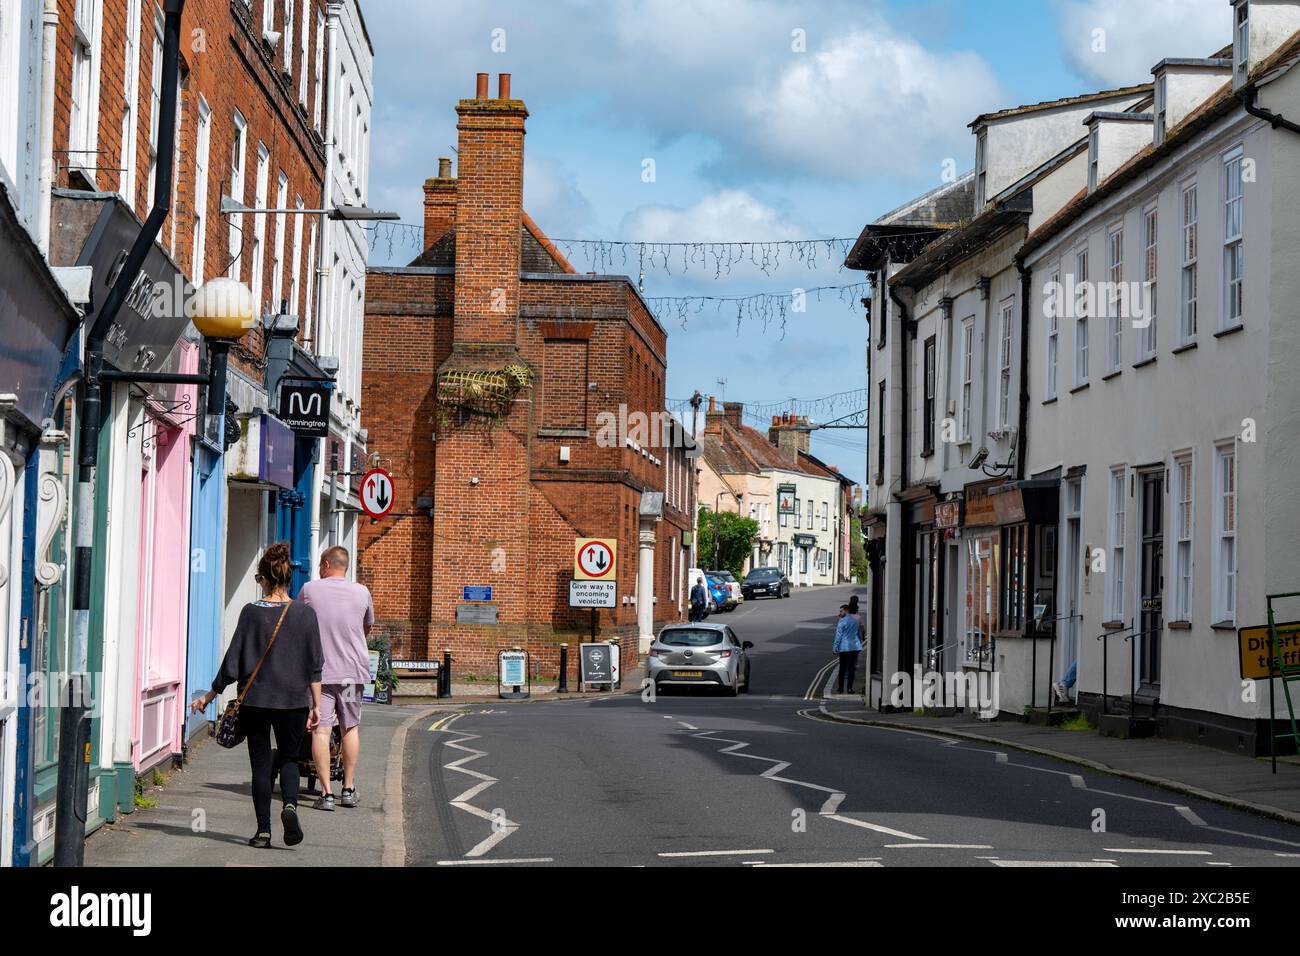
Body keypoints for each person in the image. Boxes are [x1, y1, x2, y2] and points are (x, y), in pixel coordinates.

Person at [190, 542, 323, 848]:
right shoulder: (305, 614)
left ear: (264, 579)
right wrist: (316, 705)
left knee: (261, 765)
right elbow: (315, 665)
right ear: (288, 578)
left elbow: (232, 661)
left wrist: (209, 696)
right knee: (289, 759)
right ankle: (290, 805)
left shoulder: (250, 612)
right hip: (294, 701)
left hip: (256, 701)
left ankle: (263, 832)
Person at [299, 546, 374, 811]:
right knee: (349, 727)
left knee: (321, 730)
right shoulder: (362, 592)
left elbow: (298, 623)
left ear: (327, 564)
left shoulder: (309, 590)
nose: (319, 569)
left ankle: (327, 794)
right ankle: (348, 789)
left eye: (321, 564)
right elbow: (366, 626)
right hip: (352, 674)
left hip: (320, 675)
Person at [833, 603, 863, 695]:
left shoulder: (842, 621)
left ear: (846, 610)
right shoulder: (856, 620)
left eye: (841, 611)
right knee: (851, 668)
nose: (839, 613)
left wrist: (835, 647)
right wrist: (859, 643)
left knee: (842, 667)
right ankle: (850, 688)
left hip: (844, 647)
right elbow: (859, 634)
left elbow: (838, 635)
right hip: (854, 647)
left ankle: (841, 688)